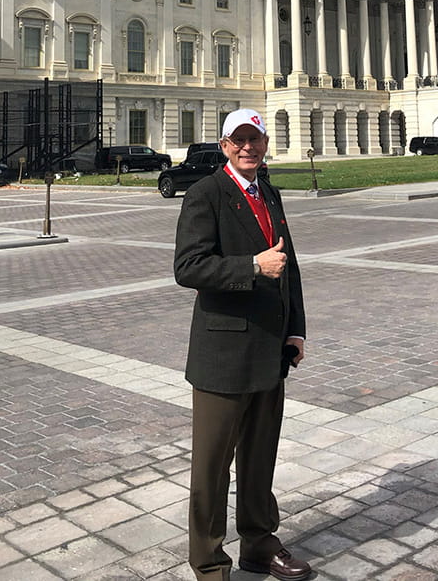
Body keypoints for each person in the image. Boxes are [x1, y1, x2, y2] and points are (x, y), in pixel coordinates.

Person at [174, 109, 310, 581]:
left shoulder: (268, 192)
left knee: (260, 458)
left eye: (257, 139)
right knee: (212, 468)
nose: (249, 147)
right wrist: (250, 267)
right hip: (224, 355)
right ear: (225, 144)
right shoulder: (205, 194)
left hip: (270, 349)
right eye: (240, 140)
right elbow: (188, 267)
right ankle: (210, 563)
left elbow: (287, 265)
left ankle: (259, 543)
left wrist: (296, 329)